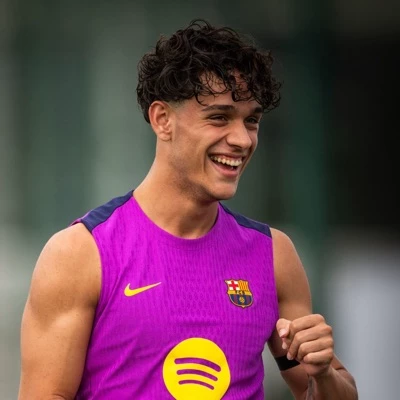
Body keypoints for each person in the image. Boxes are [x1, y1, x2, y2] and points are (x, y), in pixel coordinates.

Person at [18, 19, 358, 400]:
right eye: (219, 117)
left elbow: (329, 393)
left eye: (251, 121)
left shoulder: (274, 255)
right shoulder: (80, 253)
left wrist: (323, 374)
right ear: (162, 120)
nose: (242, 139)